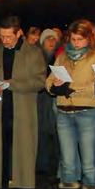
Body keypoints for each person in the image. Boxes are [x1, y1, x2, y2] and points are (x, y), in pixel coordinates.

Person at [0, 16, 47, 189]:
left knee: (23, 154)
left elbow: (39, 82)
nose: (5, 40)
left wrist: (10, 84)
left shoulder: (33, 53)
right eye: (2, 36)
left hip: (22, 112)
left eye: (9, 36)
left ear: (19, 33)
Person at [47, 20, 95, 189]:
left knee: (89, 161)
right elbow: (50, 79)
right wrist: (54, 86)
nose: (76, 43)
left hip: (87, 111)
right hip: (64, 111)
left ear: (89, 38)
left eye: (80, 39)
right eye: (73, 39)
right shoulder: (63, 56)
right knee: (67, 160)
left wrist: (74, 88)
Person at [36, 28, 60, 180]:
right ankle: (42, 165)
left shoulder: (59, 58)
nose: (51, 42)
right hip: (40, 99)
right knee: (42, 131)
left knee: (57, 133)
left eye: (53, 39)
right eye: (48, 39)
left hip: (55, 99)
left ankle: (55, 165)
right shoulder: (37, 57)